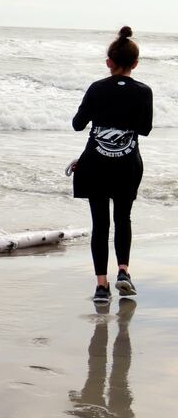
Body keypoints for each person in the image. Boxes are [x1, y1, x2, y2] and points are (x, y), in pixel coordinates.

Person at [72, 26, 152, 305]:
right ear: (135, 63)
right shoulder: (144, 91)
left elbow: (77, 125)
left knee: (100, 224)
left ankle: (101, 287)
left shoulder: (96, 88)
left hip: (95, 165)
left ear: (109, 62)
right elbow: (145, 129)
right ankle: (124, 272)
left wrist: (100, 113)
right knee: (123, 218)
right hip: (128, 165)